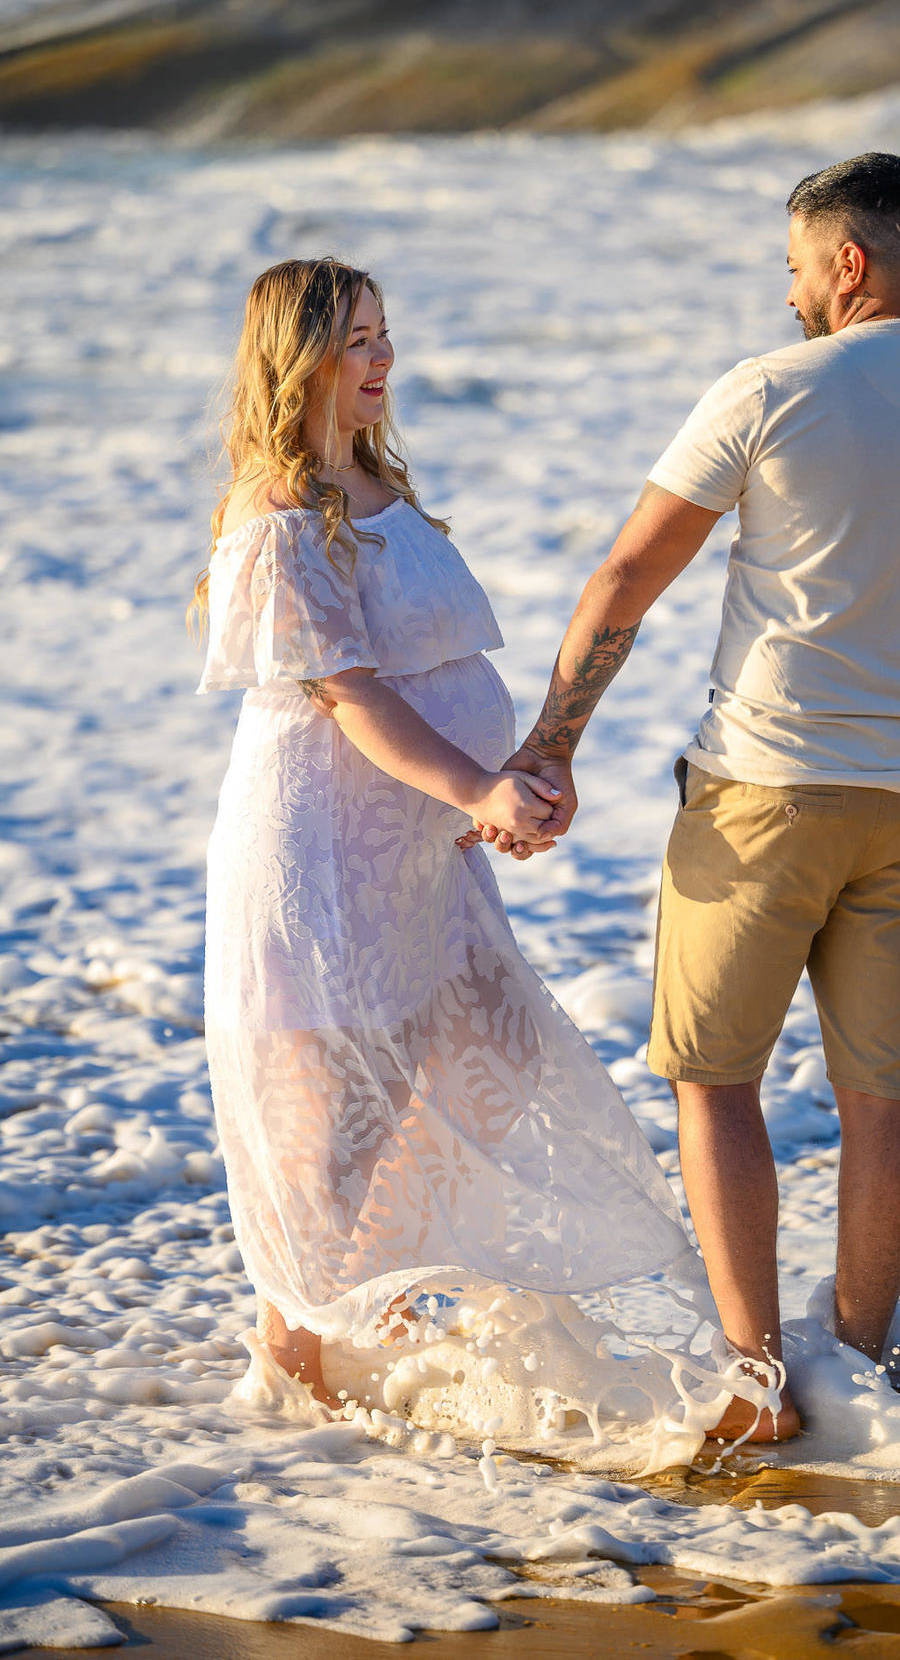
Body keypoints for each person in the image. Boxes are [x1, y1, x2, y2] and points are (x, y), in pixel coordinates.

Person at [487, 153, 900, 1441]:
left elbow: (621, 585)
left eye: (796, 269)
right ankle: (863, 1373)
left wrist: (552, 747)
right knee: (889, 1103)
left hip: (763, 792)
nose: (790, 295)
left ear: (850, 264)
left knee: (715, 1080)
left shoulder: (770, 391)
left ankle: (759, 1382)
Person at [191, 257, 705, 1416]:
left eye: (385, 335)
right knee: (328, 1121)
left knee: (490, 1053)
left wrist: (513, 773)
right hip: (318, 851)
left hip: (418, 844)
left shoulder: (378, 484)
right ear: (300, 356)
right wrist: (478, 785)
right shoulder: (277, 515)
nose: (383, 358)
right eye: (359, 341)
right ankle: (298, 1374)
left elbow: (439, 663)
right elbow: (351, 695)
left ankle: (360, 1309)